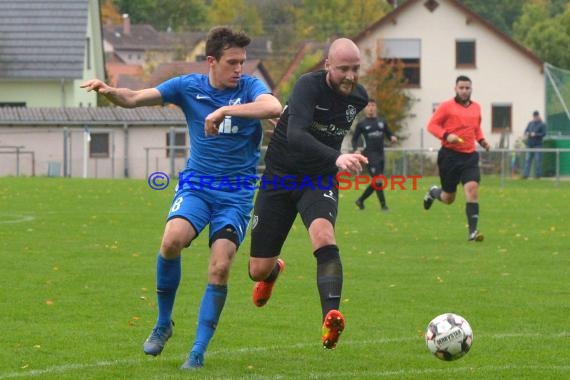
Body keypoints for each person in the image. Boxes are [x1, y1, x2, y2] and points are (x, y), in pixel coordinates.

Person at [81, 27, 282, 369]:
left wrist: (225, 112)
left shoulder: (249, 87)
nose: (239, 69)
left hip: (236, 194)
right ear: (211, 62)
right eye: (232, 62)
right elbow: (133, 98)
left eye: (243, 63)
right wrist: (109, 90)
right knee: (171, 241)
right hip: (197, 186)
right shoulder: (187, 86)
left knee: (219, 268)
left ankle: (198, 352)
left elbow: (273, 106)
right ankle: (163, 323)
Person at [247, 38, 369, 350]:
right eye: (343, 69)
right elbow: (297, 135)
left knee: (324, 237)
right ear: (328, 65)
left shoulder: (359, 98)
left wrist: (339, 158)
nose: (350, 76)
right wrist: (337, 156)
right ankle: (273, 272)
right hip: (280, 179)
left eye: (355, 68)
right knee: (256, 269)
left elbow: (331, 130)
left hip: (318, 179)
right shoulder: (307, 87)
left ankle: (331, 318)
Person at [422, 75, 490, 241]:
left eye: (467, 88)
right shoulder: (446, 107)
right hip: (449, 157)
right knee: (448, 198)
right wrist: (446, 135)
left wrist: (482, 141)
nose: (465, 91)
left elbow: (476, 128)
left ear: (471, 89)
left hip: (469, 156)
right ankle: (433, 192)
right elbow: (431, 126)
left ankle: (473, 232)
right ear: (455, 89)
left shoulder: (477, 108)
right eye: (461, 88)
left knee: (472, 189)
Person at [351, 99, 398, 211]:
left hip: (381, 154)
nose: (371, 108)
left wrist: (392, 137)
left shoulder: (382, 122)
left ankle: (360, 200)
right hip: (370, 155)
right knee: (378, 180)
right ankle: (384, 206)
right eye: (368, 106)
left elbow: (389, 133)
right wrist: (356, 149)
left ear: (375, 107)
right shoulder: (362, 124)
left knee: (377, 180)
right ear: (365, 108)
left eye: (373, 105)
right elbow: (354, 139)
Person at [522, 110, 547, 179]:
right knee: (527, 160)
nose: (535, 118)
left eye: (536, 116)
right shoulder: (530, 123)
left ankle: (538, 175)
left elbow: (544, 134)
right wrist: (527, 134)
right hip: (530, 144)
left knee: (538, 160)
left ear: (538, 116)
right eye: (534, 116)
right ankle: (525, 175)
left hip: (538, 145)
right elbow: (526, 131)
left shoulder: (542, 124)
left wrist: (536, 134)